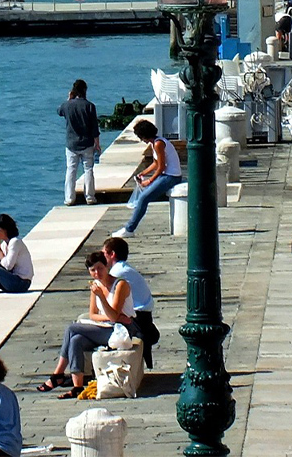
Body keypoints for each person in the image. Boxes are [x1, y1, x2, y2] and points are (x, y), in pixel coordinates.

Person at [36, 252, 135, 398]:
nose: (97, 273)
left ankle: (58, 374)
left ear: (107, 266)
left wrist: (102, 297)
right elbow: (93, 314)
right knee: (76, 340)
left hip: (121, 331)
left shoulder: (120, 285)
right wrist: (109, 317)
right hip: (106, 326)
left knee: (71, 328)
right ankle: (77, 386)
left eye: (100, 268)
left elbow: (114, 316)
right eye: (93, 270)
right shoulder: (96, 285)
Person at [112, 119, 182, 238]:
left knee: (143, 198)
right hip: (167, 175)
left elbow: (161, 167)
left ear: (144, 135)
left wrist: (149, 181)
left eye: (140, 137)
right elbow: (155, 163)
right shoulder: (155, 142)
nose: (141, 140)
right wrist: (143, 173)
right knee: (143, 197)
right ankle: (129, 228)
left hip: (172, 176)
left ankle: (129, 229)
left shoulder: (158, 144)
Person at [102, 235, 159, 367]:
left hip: (137, 319)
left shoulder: (117, 273)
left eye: (104, 253)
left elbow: (111, 304)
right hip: (144, 316)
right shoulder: (126, 268)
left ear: (112, 254)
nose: (102, 256)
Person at [59, 79, 101, 206]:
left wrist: (68, 99)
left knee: (71, 170)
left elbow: (59, 111)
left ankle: (69, 198)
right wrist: (97, 143)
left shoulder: (67, 105)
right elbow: (94, 127)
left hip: (71, 144)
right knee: (88, 169)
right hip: (87, 143)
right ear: (85, 90)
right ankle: (90, 197)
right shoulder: (89, 106)